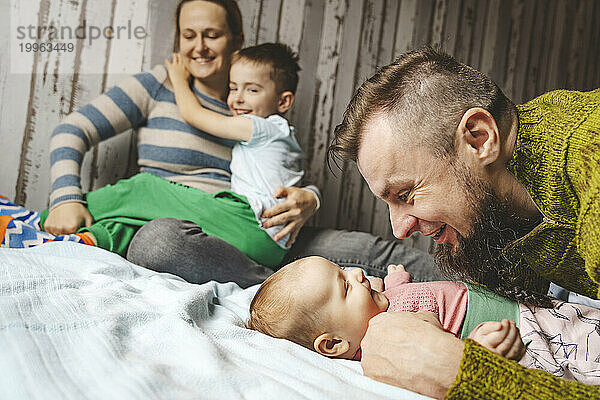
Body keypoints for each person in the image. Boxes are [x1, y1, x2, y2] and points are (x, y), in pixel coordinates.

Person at [20, 0, 438, 287]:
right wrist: (64, 197)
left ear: (236, 39)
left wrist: (309, 198)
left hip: (258, 224)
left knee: (374, 250)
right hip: (184, 230)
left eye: (212, 35)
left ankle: (489, 300)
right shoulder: (159, 86)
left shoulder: (256, 100)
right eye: (188, 35)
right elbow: (70, 131)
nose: (198, 46)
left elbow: (280, 168)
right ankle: (274, 287)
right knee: (158, 243)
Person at [328, 46, 600, 398]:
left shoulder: (590, 163)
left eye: (406, 194)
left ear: (479, 138)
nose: (399, 229)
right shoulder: (498, 207)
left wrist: (447, 368)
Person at [248, 256, 600, 385]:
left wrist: (398, 281)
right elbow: (434, 358)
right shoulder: (385, 338)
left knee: (584, 318)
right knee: (587, 346)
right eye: (344, 284)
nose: (356, 272)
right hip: (524, 332)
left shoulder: (381, 307)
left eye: (343, 269)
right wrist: (472, 350)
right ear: (334, 343)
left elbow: (410, 297)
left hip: (530, 308)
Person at [164, 42, 304, 257]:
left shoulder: (260, 127)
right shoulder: (284, 135)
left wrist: (178, 79)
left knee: (147, 188)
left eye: (252, 90)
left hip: (255, 224)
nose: (238, 98)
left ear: (283, 101)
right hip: (277, 242)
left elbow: (194, 115)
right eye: (233, 87)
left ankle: (94, 202)